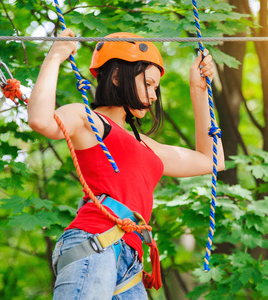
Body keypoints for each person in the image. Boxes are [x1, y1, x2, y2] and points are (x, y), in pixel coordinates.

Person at [28, 28, 225, 300]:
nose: (154, 95)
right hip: (94, 242)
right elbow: (40, 120)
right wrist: (55, 55)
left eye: (156, 88)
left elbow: (213, 160)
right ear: (119, 77)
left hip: (131, 260)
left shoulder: (146, 145)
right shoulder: (91, 121)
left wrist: (199, 90)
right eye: (148, 83)